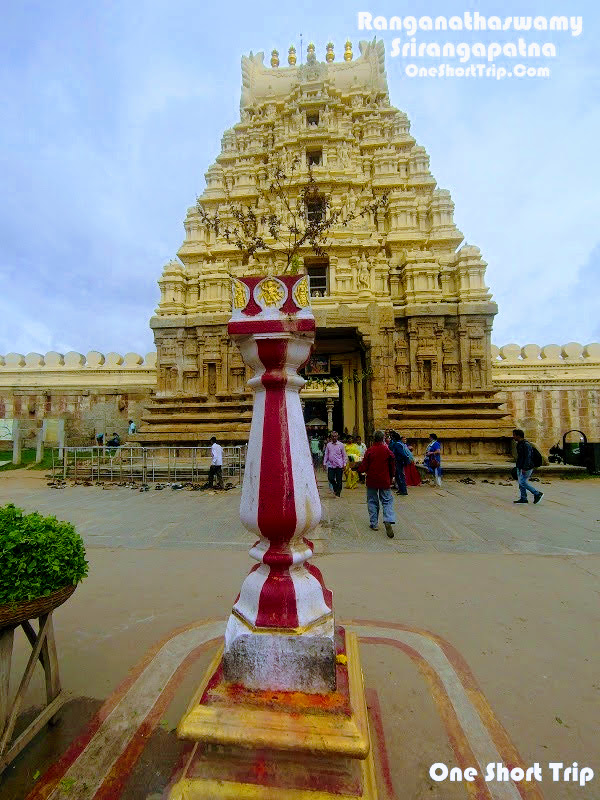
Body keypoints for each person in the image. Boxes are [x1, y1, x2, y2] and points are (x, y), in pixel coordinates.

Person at [356, 430, 396, 537]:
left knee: (372, 501)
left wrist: (358, 469)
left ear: (373, 439)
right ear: (383, 438)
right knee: (387, 501)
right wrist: (392, 477)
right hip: (384, 480)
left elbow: (364, 466)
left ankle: (374, 523)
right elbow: (392, 464)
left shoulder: (369, 451)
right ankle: (388, 519)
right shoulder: (387, 451)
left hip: (372, 480)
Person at [512, 429, 544, 504]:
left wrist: (525, 468)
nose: (513, 437)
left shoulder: (526, 445)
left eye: (514, 435)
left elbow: (528, 457)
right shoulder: (519, 444)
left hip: (526, 467)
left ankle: (537, 493)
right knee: (521, 482)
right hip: (520, 466)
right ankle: (523, 498)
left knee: (522, 482)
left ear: (518, 436)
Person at [323, 431, 347, 497]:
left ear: (337, 437)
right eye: (333, 436)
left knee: (339, 480)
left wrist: (344, 464)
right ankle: (335, 487)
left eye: (335, 436)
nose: (334, 437)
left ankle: (338, 492)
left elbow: (344, 455)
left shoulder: (341, 445)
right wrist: (324, 463)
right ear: (331, 437)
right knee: (330, 478)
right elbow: (326, 454)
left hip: (339, 465)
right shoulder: (328, 445)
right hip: (331, 465)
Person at [387, 431, 411, 496]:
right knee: (397, 476)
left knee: (400, 476)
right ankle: (400, 489)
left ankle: (403, 490)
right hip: (398, 461)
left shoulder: (397, 444)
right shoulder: (398, 443)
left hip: (399, 462)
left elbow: (402, 453)